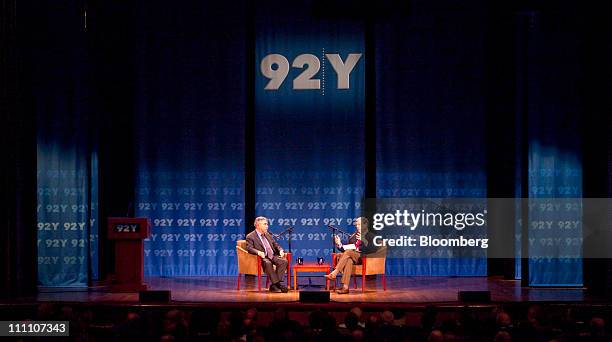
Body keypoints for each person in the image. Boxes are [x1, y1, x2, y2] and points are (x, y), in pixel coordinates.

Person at [324, 217, 376, 294]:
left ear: (365, 225)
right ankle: (345, 288)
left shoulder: (370, 236)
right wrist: (339, 244)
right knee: (348, 260)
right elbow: (346, 250)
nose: (357, 226)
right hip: (352, 256)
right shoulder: (354, 236)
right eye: (356, 224)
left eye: (359, 224)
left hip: (363, 258)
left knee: (348, 253)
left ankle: (335, 272)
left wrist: (364, 240)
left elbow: (371, 249)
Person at [246, 216, 288, 293]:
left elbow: (275, 245)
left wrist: (280, 250)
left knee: (284, 261)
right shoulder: (250, 236)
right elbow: (249, 248)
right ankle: (277, 285)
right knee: (267, 263)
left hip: (272, 255)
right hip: (263, 257)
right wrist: (258, 252)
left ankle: (275, 285)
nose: (267, 226)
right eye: (265, 224)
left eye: (267, 224)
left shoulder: (267, 234)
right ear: (258, 225)